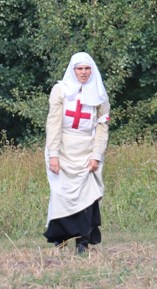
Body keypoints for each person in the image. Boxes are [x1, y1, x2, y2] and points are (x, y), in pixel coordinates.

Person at [43, 52, 111, 254]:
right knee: (61, 195)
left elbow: (102, 126)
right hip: (63, 149)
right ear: (73, 70)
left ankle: (83, 241)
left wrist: (96, 155)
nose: (84, 72)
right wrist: (53, 154)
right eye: (80, 68)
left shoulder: (99, 93)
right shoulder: (60, 90)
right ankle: (60, 239)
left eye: (87, 68)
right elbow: (53, 123)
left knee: (87, 196)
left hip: (87, 149)